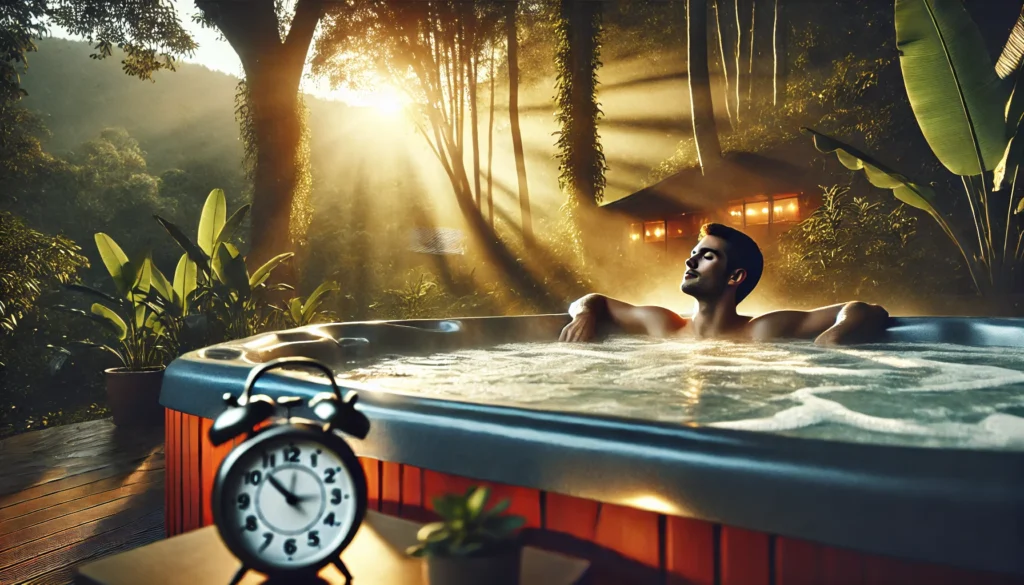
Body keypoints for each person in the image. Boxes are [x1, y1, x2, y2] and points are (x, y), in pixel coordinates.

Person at [559, 223, 889, 346]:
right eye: (692, 254)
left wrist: (833, 338)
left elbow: (864, 309)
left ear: (735, 276)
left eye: (707, 257)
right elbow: (591, 300)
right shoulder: (663, 325)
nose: (690, 262)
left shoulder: (761, 331)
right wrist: (584, 315)